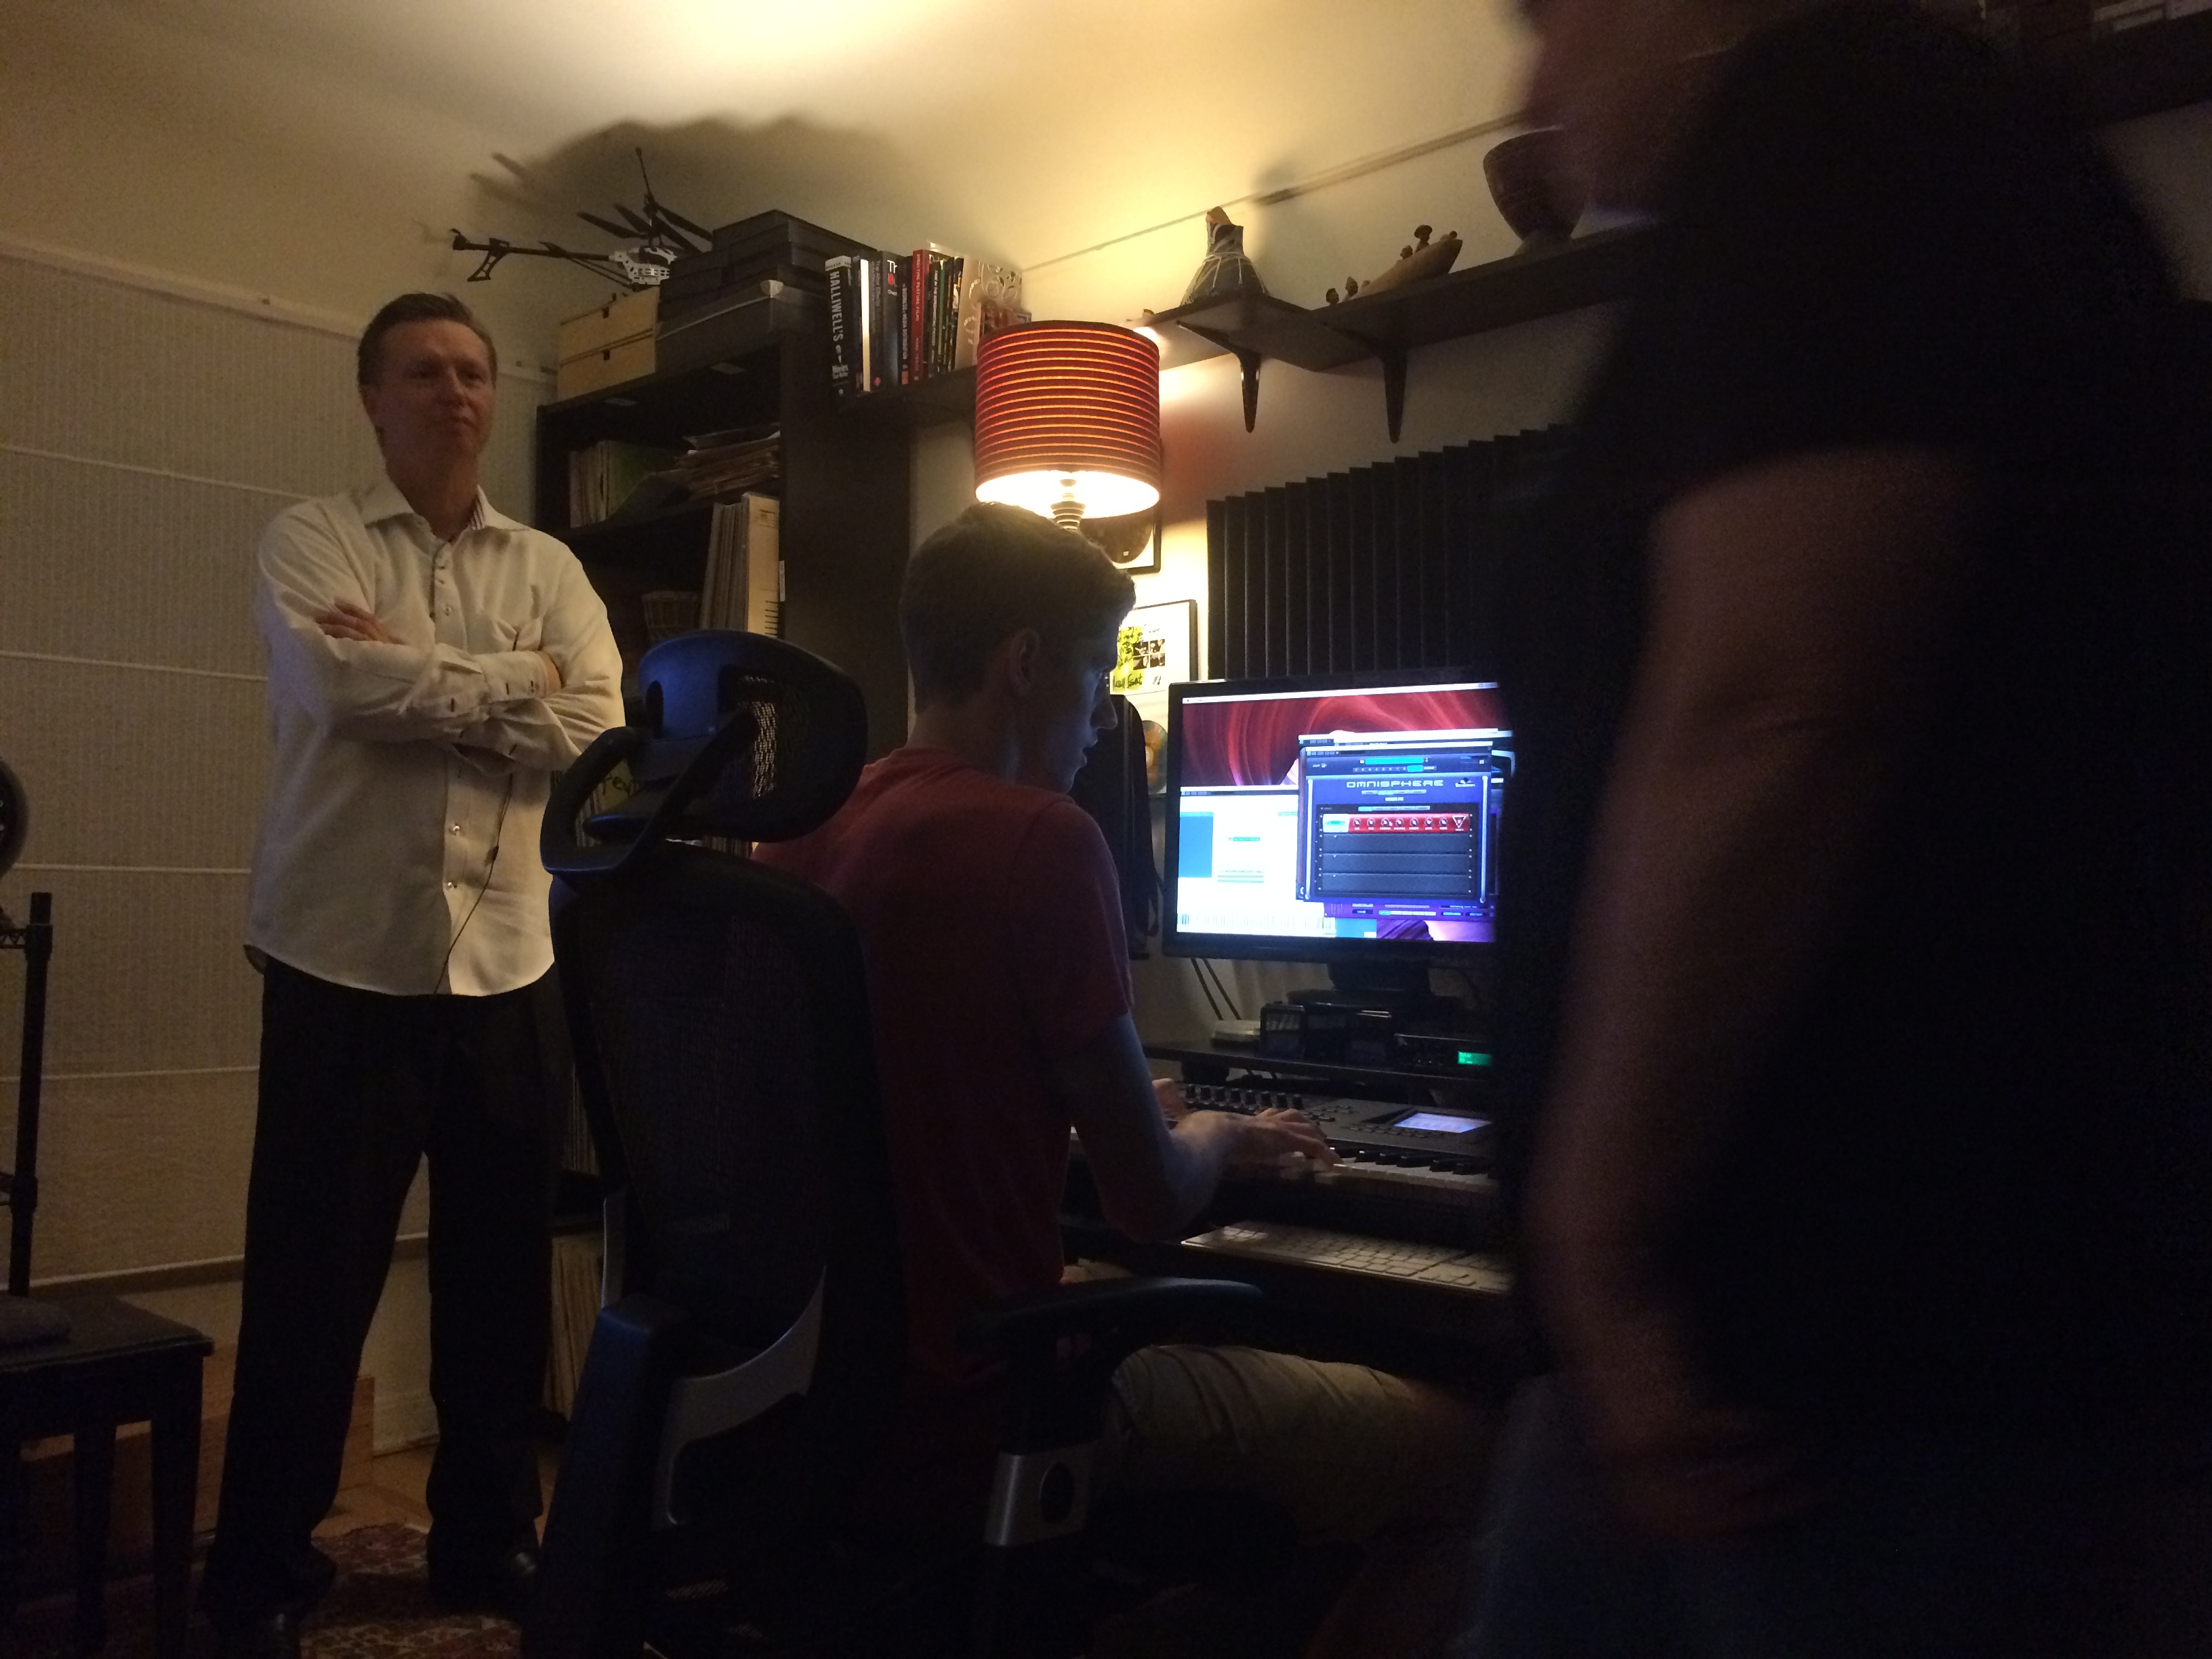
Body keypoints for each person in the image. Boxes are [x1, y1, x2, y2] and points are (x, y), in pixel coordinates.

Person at [1463, 1, 2212, 1654]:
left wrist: (1596, 1230)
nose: (1535, 83)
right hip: (1830, 1326)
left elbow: (1777, 700)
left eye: (1554, 17)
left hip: (1843, 1345)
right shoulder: (1934, 160)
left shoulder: (1844, 123)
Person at [758, 503, 1494, 1659]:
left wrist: (1107, 1115)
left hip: (815, 1410)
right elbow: (1152, 1201)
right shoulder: (1039, 839)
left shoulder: (799, 837)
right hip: (985, 1408)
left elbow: (908, 1099)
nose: (1105, 716)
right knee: (1471, 1450)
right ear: (1025, 663)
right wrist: (1214, 1132)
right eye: (1098, 670)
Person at [204, 293, 624, 1658]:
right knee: (309, 1286)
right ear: (373, 397)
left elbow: (598, 730)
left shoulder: (550, 564)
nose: (455, 392)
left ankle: (487, 1540)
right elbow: (341, 692)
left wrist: (425, 676)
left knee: (499, 1280)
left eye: (474, 372)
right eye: (425, 372)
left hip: (510, 966)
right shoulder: (311, 539)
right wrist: (520, 677)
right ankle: (263, 1570)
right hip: (341, 963)